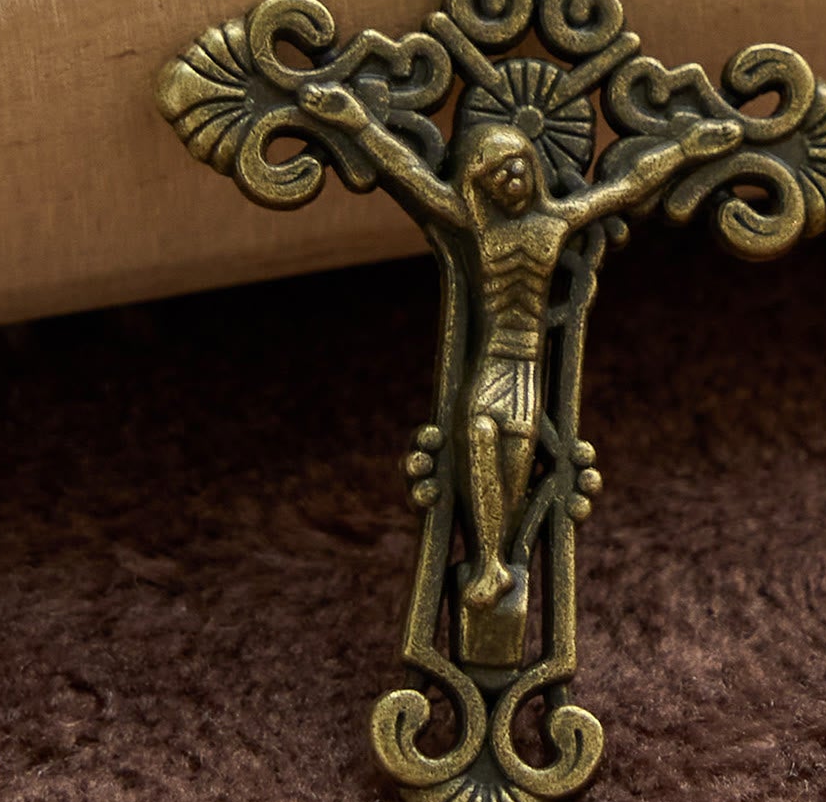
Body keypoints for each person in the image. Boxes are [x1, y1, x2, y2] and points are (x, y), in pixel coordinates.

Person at [298, 81, 742, 608]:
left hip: (528, 367)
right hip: (491, 363)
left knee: (511, 479)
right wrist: (355, 121)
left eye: (516, 168)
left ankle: (500, 561)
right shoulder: (475, 226)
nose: (511, 181)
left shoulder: (555, 223)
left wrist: (687, 148)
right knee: (478, 435)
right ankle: (489, 565)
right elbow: (411, 173)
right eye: (497, 175)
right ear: (480, 185)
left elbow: (627, 186)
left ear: (532, 165)